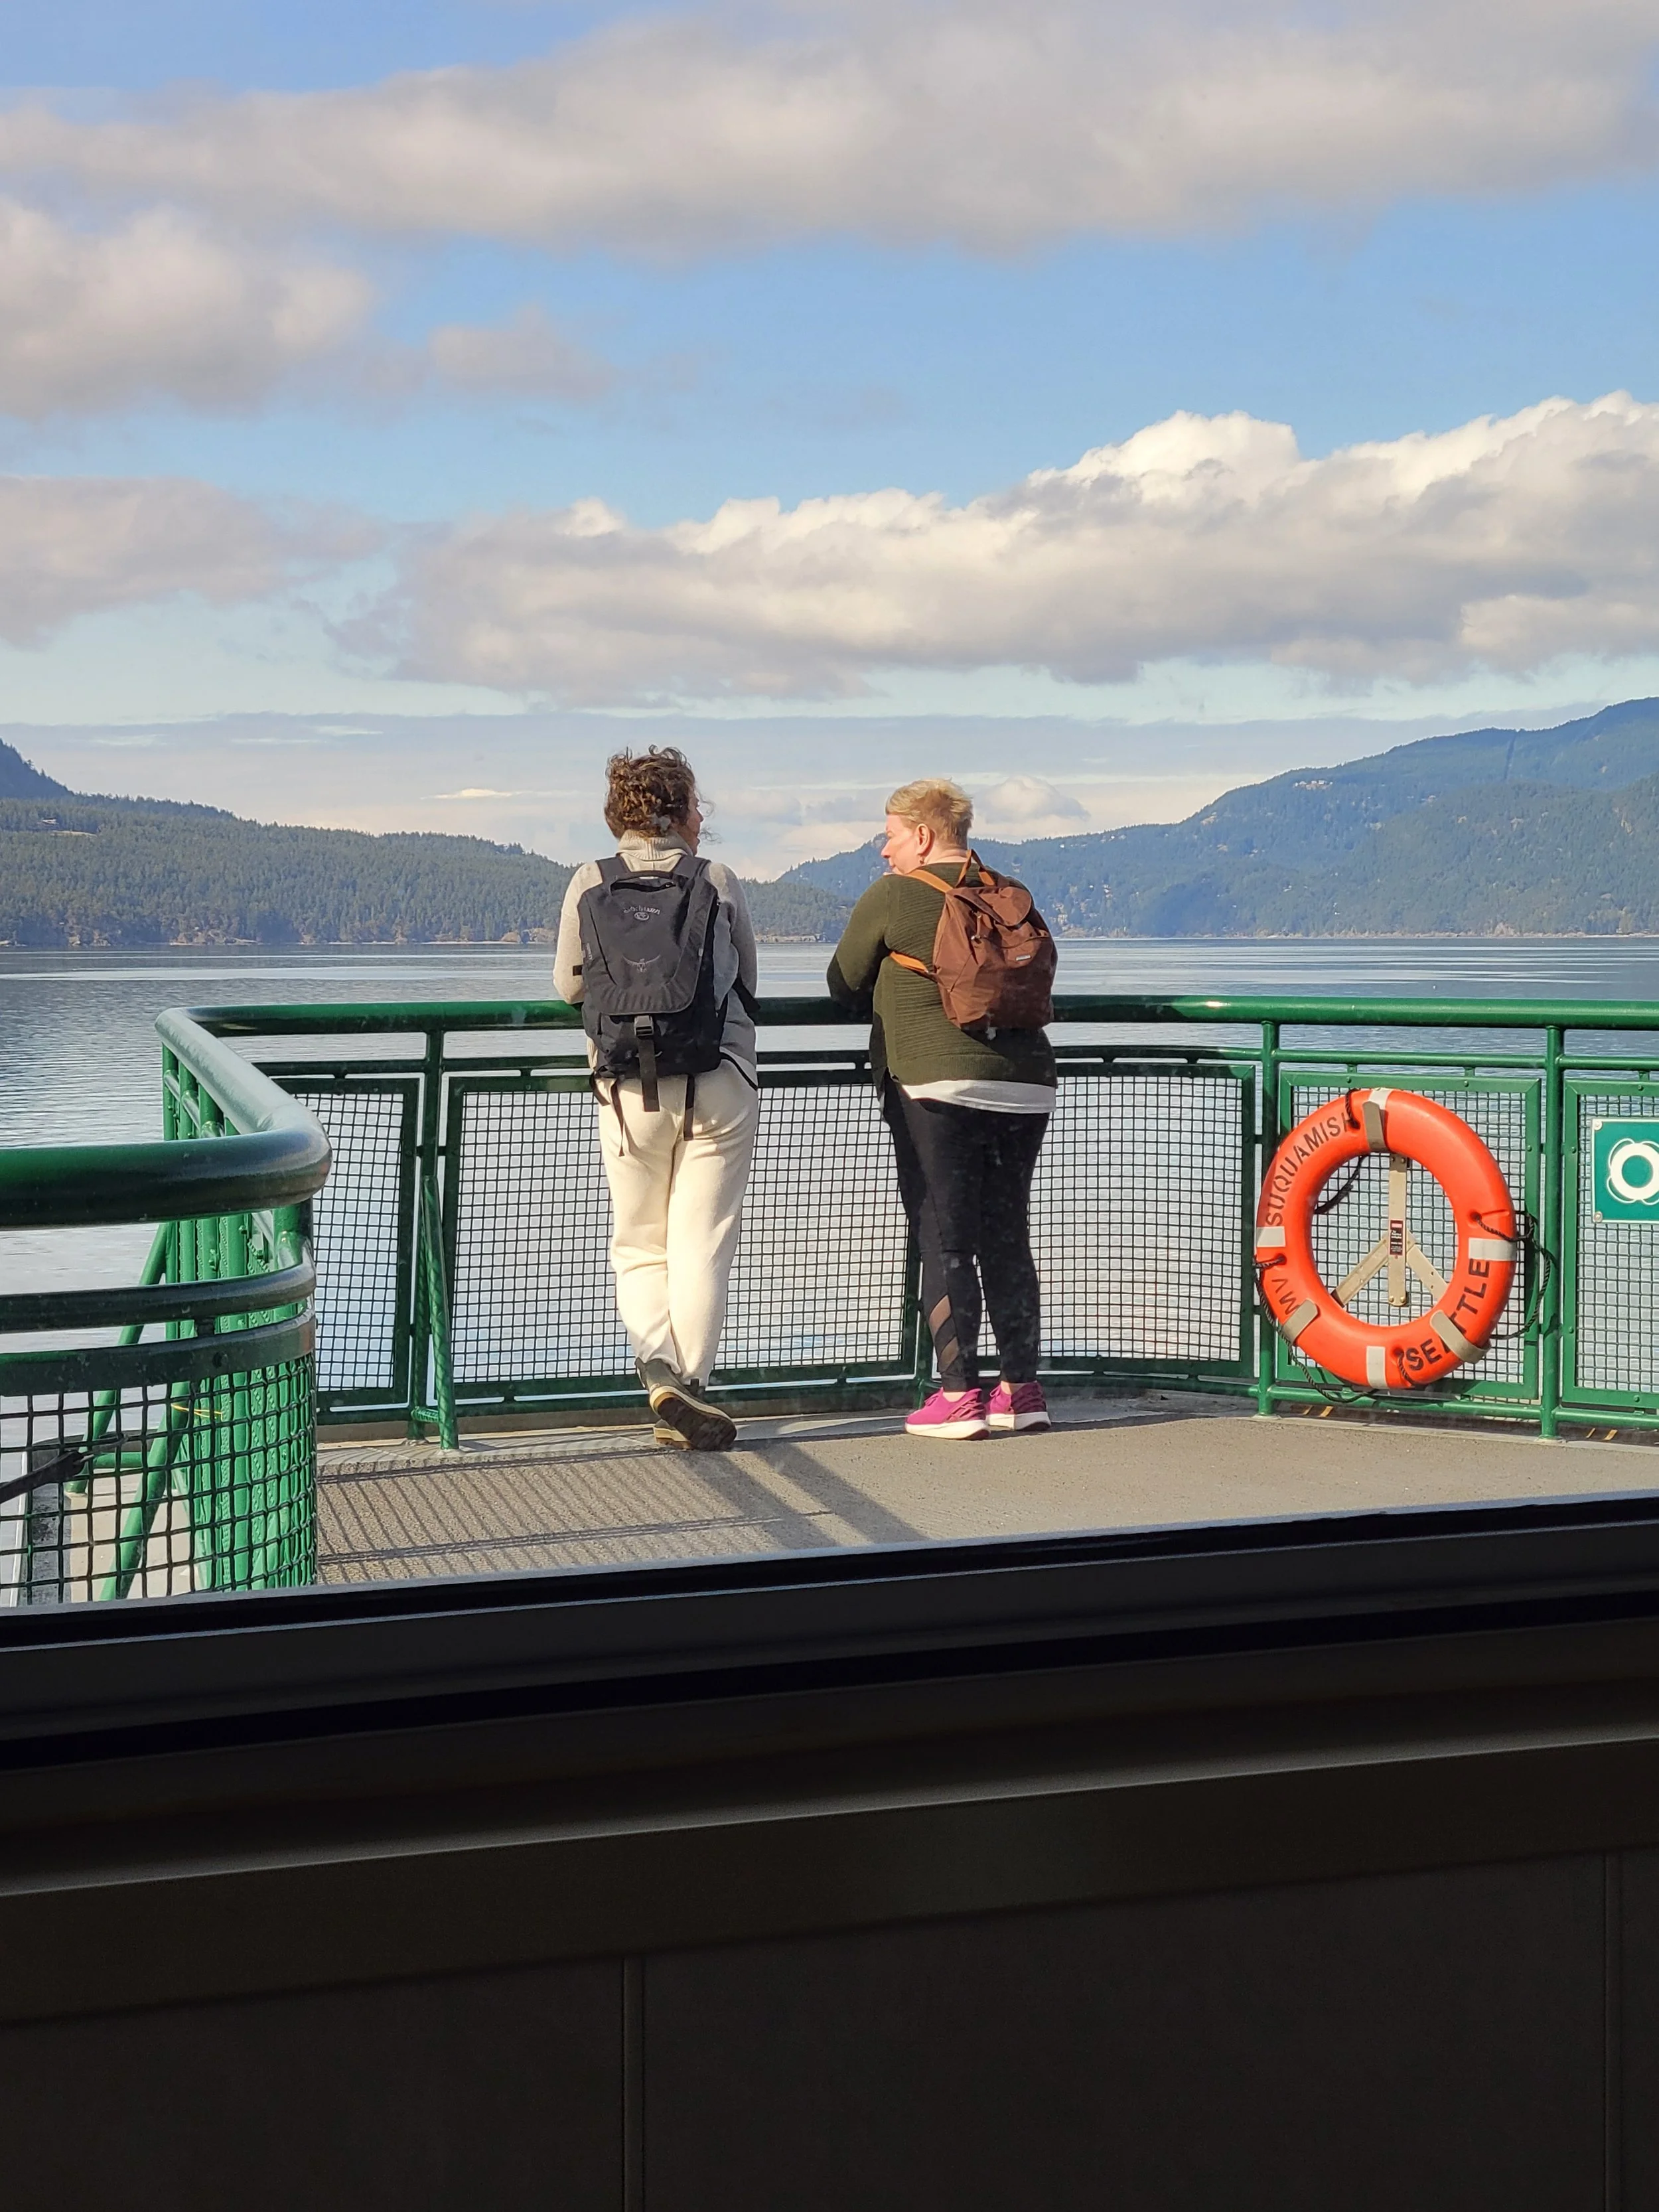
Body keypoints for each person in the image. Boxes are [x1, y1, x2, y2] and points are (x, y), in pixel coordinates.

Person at [828, 778, 1056, 1439]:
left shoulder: (896, 895)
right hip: (1027, 1082)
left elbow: (842, 982)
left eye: (890, 836)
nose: (883, 851)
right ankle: (1021, 1391)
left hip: (935, 1084)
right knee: (1006, 1232)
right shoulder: (1006, 892)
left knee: (944, 1235)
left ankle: (958, 1396)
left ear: (922, 836)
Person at [555, 747, 760, 1450]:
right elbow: (749, 979)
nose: (704, 817)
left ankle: (657, 1373)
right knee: (701, 1241)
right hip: (720, 1076)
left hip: (625, 1089)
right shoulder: (719, 879)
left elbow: (568, 985)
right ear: (678, 812)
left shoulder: (590, 880)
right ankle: (693, 1386)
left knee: (638, 1242)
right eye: (698, 805)